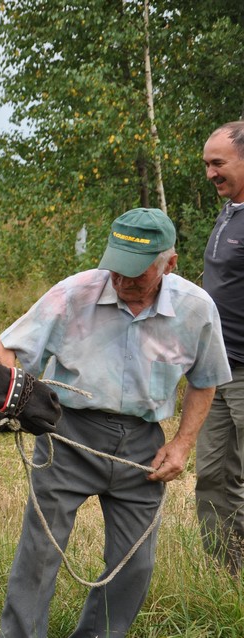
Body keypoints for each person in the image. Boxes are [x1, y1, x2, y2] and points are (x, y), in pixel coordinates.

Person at [0, 207, 231, 637]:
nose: (122, 283)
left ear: (169, 264)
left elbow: (206, 380)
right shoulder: (73, 293)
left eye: (137, 276)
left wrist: (181, 445)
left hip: (143, 447)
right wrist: (14, 401)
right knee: (40, 553)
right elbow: (5, 349)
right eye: (116, 271)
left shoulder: (196, 310)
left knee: (135, 564)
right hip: (69, 437)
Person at [198, 121, 244, 574]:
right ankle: (227, 576)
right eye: (207, 165)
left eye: (218, 163)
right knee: (212, 475)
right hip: (217, 371)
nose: (210, 173)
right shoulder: (230, 210)